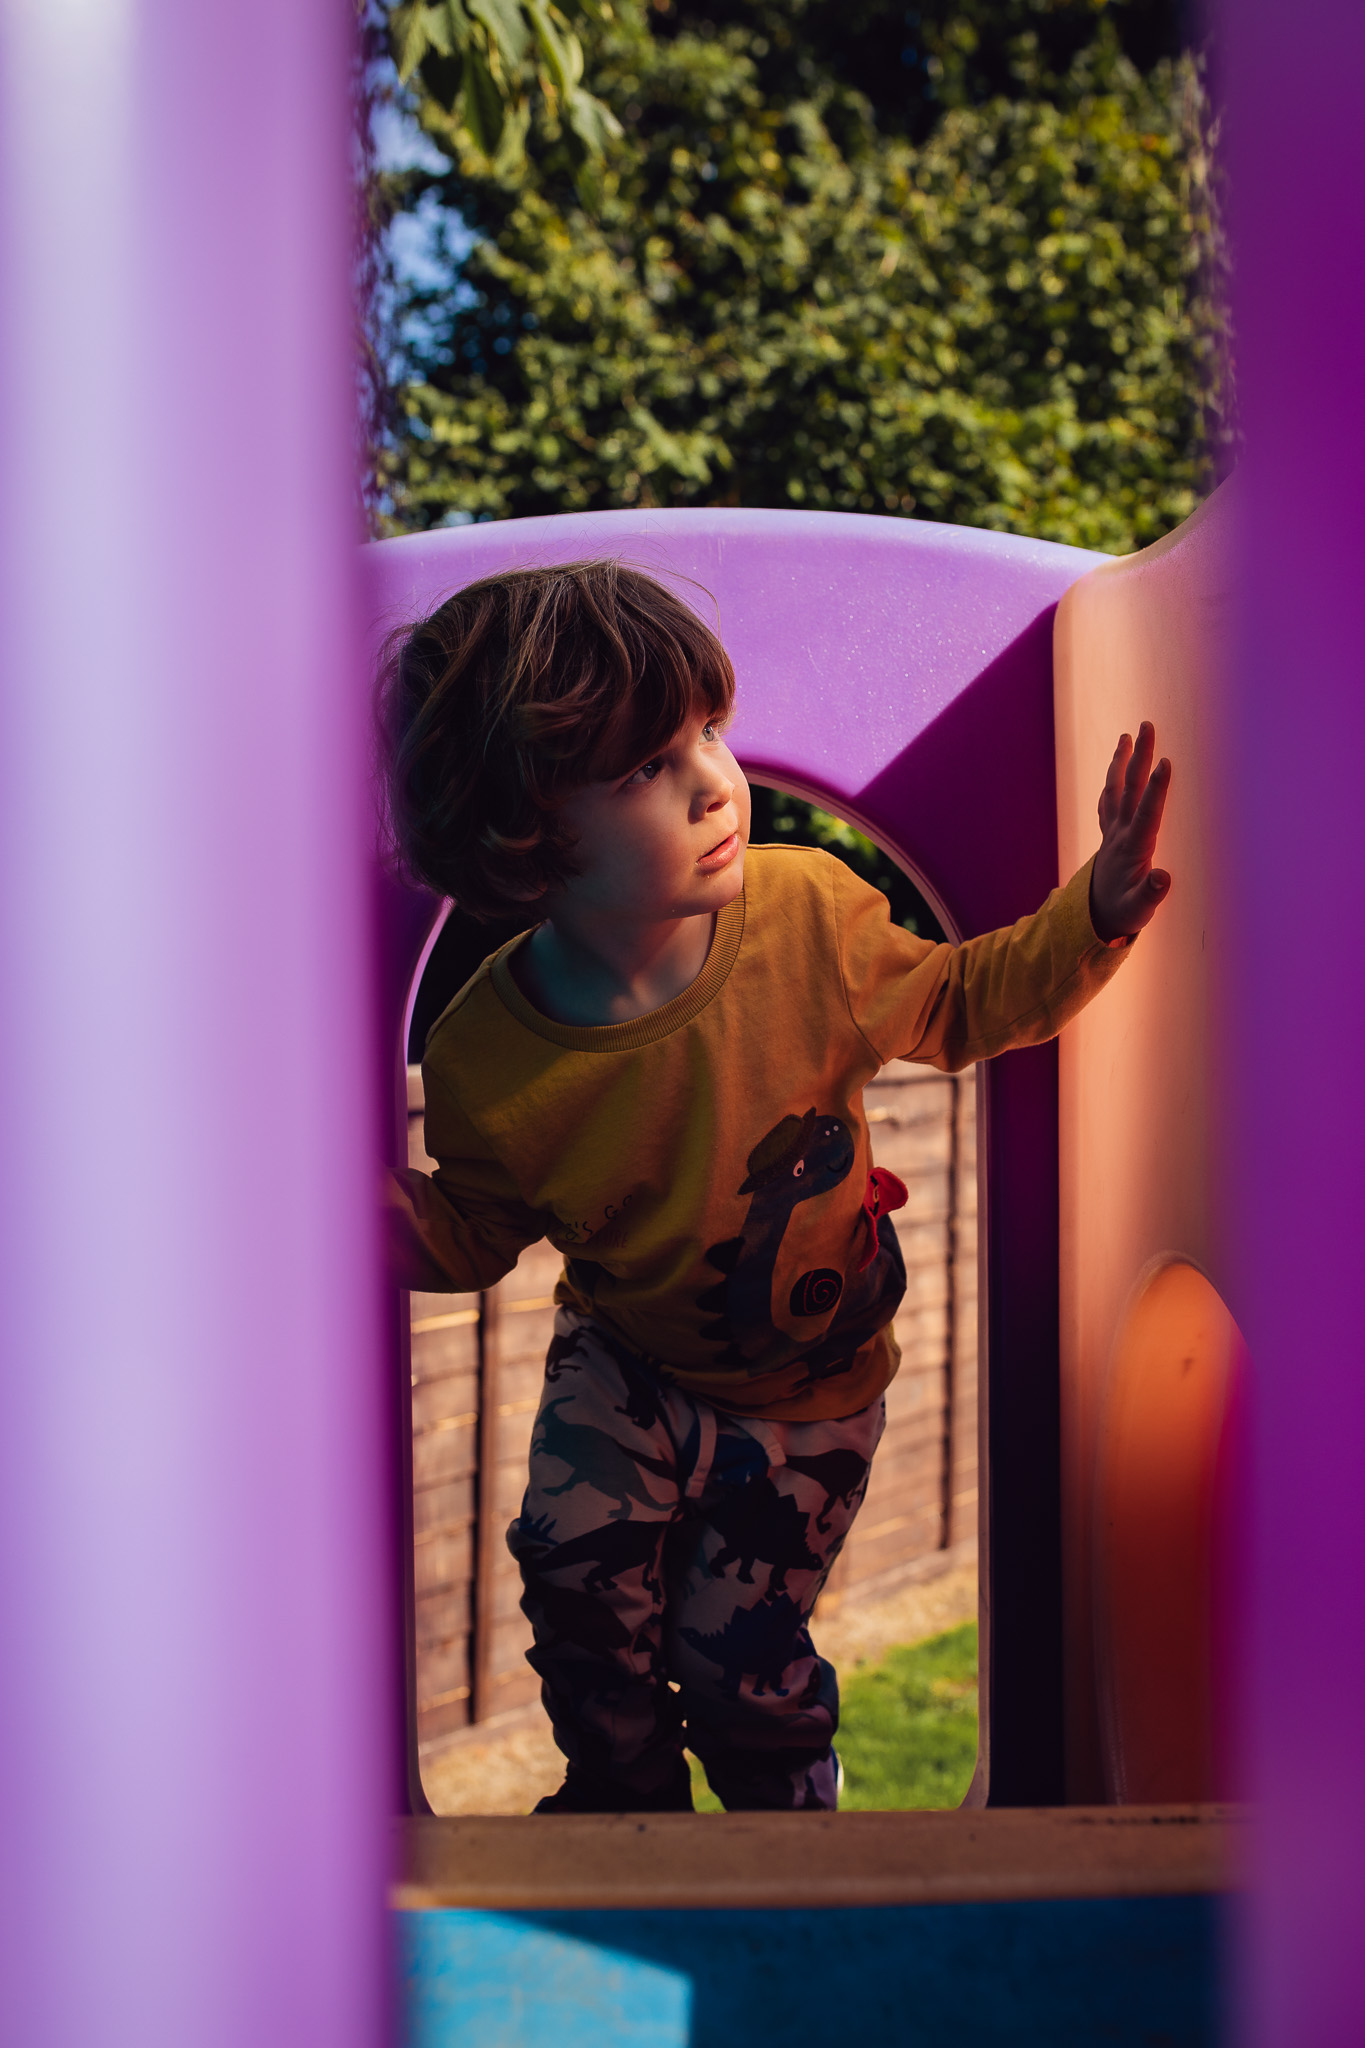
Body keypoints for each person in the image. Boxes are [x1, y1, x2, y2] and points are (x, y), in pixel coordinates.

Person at [380, 559, 1170, 1814]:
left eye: (708, 732)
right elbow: (475, 1232)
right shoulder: (489, 1052)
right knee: (570, 1566)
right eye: (646, 768)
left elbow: (964, 1001)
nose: (713, 781)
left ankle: (787, 1814)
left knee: (733, 1656)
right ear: (523, 829)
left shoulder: (808, 917)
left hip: (807, 1375)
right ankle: (623, 1792)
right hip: (627, 1358)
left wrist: (1098, 913)